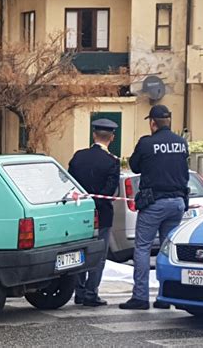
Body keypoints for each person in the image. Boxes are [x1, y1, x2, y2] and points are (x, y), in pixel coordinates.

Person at [119, 105, 189, 310]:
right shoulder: (181, 143)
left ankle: (140, 297)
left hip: (154, 203)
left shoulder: (147, 143)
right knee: (167, 251)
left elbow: (135, 166)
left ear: (152, 123)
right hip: (177, 203)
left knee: (142, 248)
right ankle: (165, 296)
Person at [68, 118, 120, 307]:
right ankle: (91, 292)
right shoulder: (112, 162)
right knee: (98, 255)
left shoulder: (78, 156)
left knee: (80, 252)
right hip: (102, 214)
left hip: (79, 213)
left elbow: (70, 185)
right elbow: (109, 192)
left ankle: (79, 291)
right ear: (112, 138)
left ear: (93, 135)